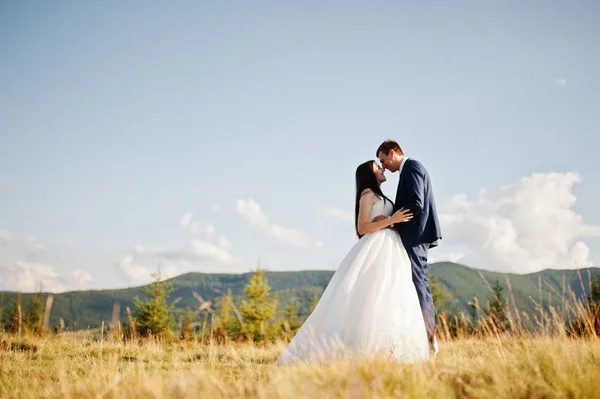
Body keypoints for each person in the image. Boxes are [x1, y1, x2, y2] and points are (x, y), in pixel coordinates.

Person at [276, 160, 430, 365]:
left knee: (391, 293)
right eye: (378, 167)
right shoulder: (367, 195)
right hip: (376, 247)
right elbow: (362, 228)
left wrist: (389, 221)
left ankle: (391, 349)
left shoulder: (380, 196)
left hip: (392, 247)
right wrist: (392, 220)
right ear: (369, 173)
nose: (382, 169)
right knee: (371, 294)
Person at [376, 139, 442, 357]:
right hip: (413, 236)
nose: (384, 166)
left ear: (393, 152)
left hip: (415, 237)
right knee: (413, 285)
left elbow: (416, 203)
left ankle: (430, 341)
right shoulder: (408, 170)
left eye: (384, 160)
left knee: (419, 285)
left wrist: (392, 222)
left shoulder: (412, 167)